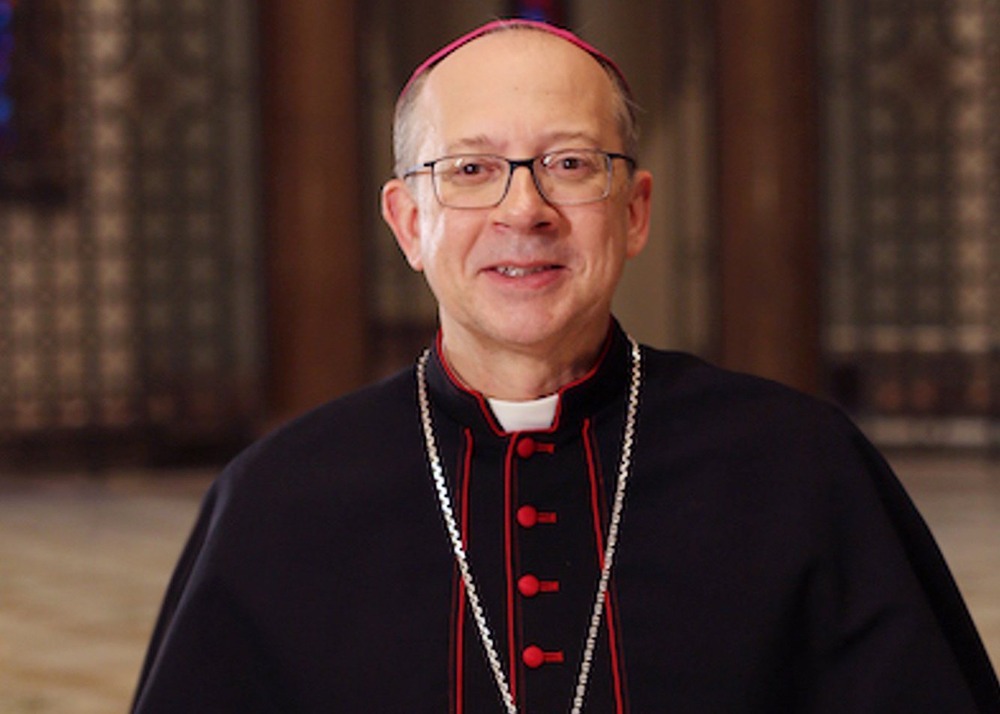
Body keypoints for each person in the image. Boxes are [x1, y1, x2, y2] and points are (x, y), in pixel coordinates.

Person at [131, 18, 1000, 713]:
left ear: (635, 211)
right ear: (407, 222)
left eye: (570, 164)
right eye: (471, 168)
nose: (525, 208)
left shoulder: (801, 467)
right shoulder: (278, 499)